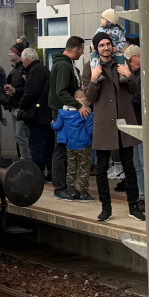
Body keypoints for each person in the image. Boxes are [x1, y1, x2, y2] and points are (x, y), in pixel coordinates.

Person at [82, 31, 144, 222]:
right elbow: (89, 98)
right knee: (101, 168)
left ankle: (133, 206)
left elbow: (135, 90)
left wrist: (129, 75)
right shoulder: (90, 67)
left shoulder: (122, 63)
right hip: (104, 123)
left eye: (108, 44)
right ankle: (106, 208)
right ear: (96, 48)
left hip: (124, 121)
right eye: (101, 45)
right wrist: (94, 79)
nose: (106, 48)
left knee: (130, 166)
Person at [48, 36, 89, 198]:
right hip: (63, 113)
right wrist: (78, 106)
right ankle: (60, 188)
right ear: (76, 48)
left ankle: (64, 187)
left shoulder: (63, 63)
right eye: (82, 49)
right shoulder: (64, 66)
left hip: (62, 111)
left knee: (64, 149)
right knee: (61, 150)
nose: (82, 52)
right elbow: (61, 91)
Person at [14, 48, 53, 175]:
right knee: (48, 145)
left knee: (37, 146)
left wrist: (21, 105)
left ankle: (38, 173)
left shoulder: (35, 71)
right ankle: (50, 171)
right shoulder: (43, 69)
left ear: (26, 60)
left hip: (37, 116)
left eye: (23, 61)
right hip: (46, 114)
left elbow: (30, 93)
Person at [51, 88, 94, 203]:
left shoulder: (63, 113)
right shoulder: (86, 112)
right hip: (84, 145)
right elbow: (90, 130)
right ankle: (84, 194)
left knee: (71, 169)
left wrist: (52, 124)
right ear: (84, 99)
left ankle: (71, 192)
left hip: (69, 146)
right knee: (83, 170)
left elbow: (57, 126)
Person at [123, 44, 143, 207]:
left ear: (138, 56)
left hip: (143, 124)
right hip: (135, 123)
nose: (129, 64)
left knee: (143, 163)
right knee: (136, 164)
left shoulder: (145, 73)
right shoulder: (135, 74)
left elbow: (140, 99)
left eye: (130, 60)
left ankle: (145, 195)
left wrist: (124, 99)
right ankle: (141, 195)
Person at [5, 43, 30, 160]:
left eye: (11, 52)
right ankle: (24, 159)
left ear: (18, 54)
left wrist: (15, 91)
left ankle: (26, 160)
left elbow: (29, 89)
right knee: (19, 136)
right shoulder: (15, 69)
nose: (8, 54)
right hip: (15, 106)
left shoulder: (23, 70)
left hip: (21, 107)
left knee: (21, 136)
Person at [90, 9, 129, 82]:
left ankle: (122, 74)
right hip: (99, 51)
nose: (101, 20)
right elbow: (94, 39)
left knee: (121, 58)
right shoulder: (99, 30)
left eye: (103, 19)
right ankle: (97, 73)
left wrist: (116, 49)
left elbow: (123, 42)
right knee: (94, 57)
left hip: (114, 50)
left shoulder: (117, 31)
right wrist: (93, 46)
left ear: (109, 21)